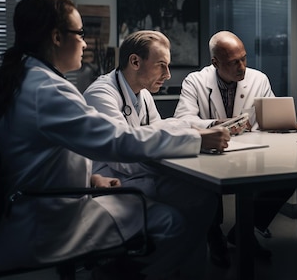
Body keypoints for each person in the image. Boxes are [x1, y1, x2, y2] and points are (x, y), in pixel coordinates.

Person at [0, 0, 230, 280]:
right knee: (172, 221)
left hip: (51, 201)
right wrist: (197, 139)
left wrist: (91, 179)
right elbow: (118, 141)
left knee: (197, 201)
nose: (86, 42)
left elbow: (43, 157)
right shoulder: (47, 90)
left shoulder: (30, 79)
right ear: (56, 38)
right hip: (52, 219)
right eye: (80, 33)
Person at [82, 30, 219, 279]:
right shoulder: (101, 94)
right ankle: (141, 272)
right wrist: (192, 140)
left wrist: (204, 127)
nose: (167, 75)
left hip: (139, 174)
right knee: (179, 217)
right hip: (112, 181)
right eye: (161, 66)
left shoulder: (142, 94)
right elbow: (125, 152)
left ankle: (176, 268)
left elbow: (159, 130)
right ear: (135, 62)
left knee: (205, 196)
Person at [174, 30, 294, 267]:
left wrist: (261, 128)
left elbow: (270, 118)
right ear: (215, 62)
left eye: (244, 58)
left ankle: (244, 230)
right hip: (214, 152)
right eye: (233, 62)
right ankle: (214, 234)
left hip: (250, 152)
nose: (242, 67)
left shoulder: (258, 79)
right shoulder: (195, 81)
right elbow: (181, 119)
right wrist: (213, 124)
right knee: (207, 185)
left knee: (286, 180)